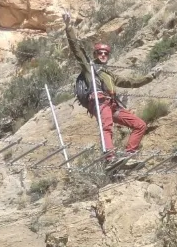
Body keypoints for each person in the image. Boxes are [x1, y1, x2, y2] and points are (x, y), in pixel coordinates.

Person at [62, 12, 159, 163]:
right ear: (95, 54)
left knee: (139, 125)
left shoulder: (110, 74)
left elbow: (131, 82)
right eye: (99, 53)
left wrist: (151, 77)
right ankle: (110, 158)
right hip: (99, 102)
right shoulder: (90, 68)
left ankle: (128, 155)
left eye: (105, 53)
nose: (103, 55)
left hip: (113, 105)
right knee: (107, 128)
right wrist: (69, 28)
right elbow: (77, 51)